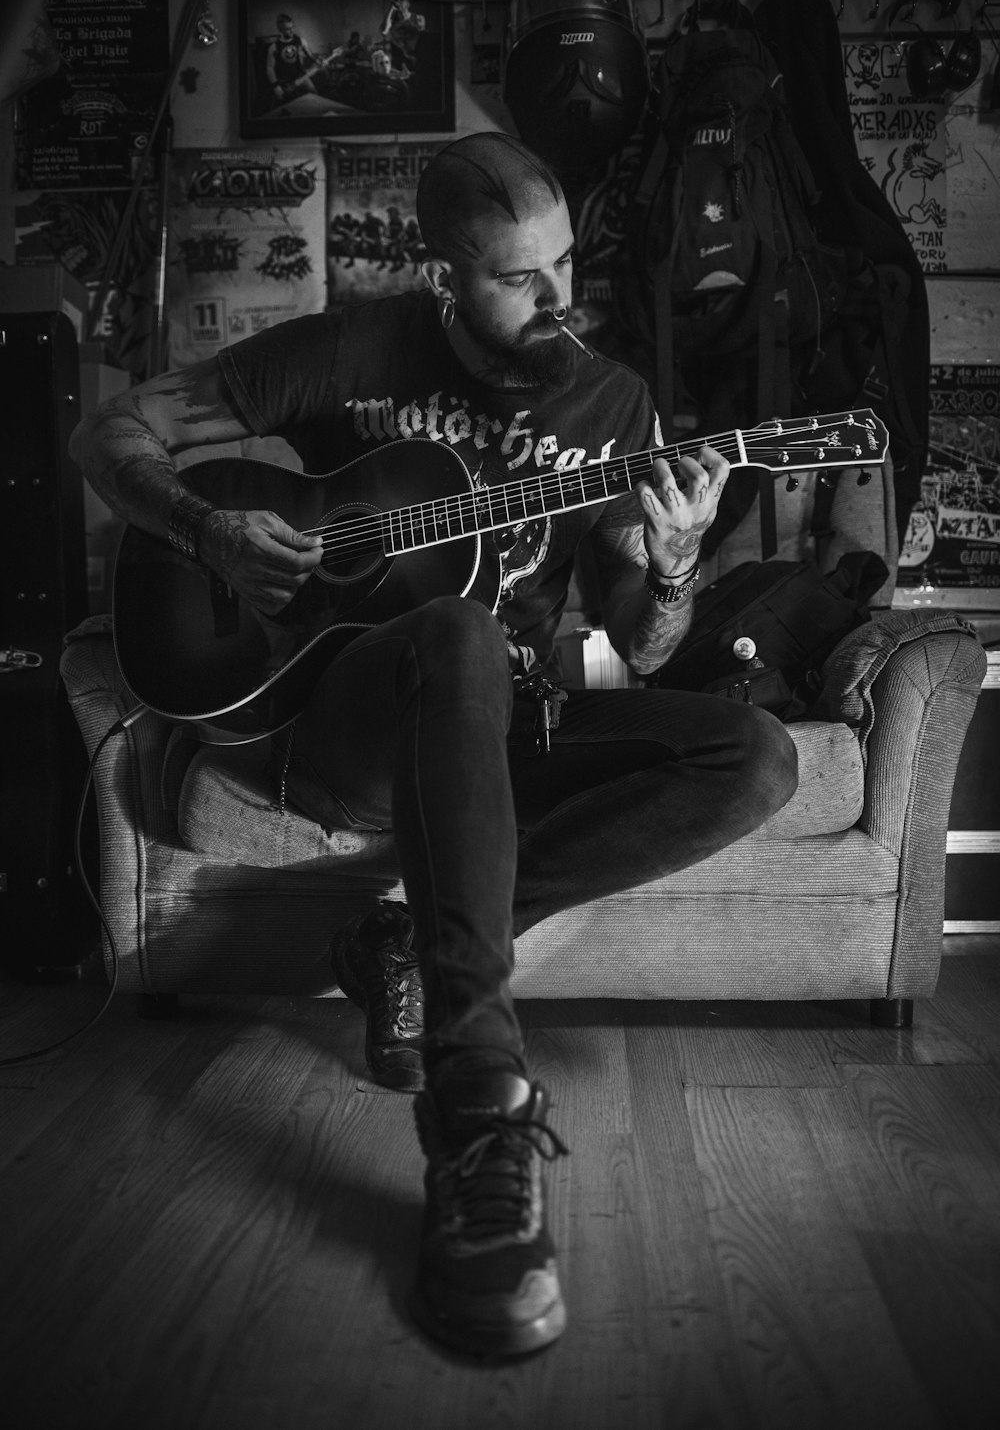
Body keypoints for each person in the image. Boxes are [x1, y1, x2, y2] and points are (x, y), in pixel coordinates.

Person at [69, 132, 797, 1361]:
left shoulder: (615, 407)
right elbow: (109, 437)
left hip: (512, 720)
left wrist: (672, 561)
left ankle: (418, 935)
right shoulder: (352, 348)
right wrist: (207, 534)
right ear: (440, 274)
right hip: (344, 717)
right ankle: (478, 1104)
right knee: (453, 626)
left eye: (567, 266)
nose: (561, 302)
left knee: (757, 757)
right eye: (522, 278)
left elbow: (652, 643)